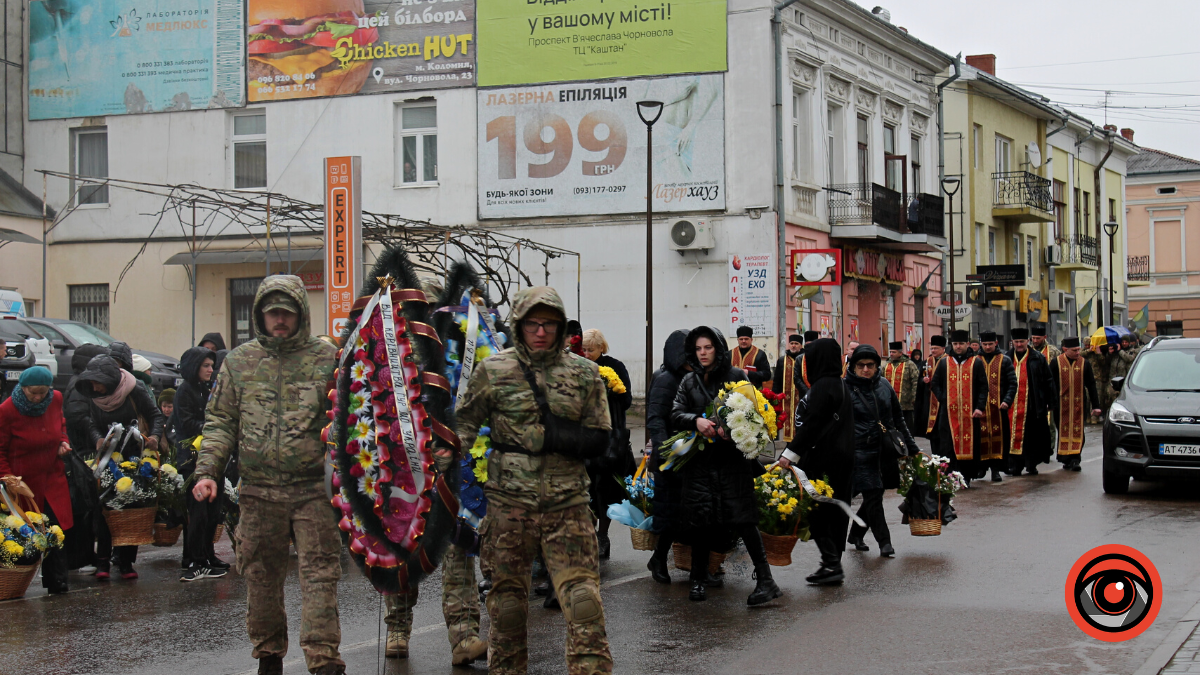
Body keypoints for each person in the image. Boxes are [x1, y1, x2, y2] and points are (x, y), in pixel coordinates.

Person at [190, 276, 343, 675]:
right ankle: (269, 655)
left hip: (313, 490)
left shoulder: (327, 358)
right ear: (260, 314)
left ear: (300, 315)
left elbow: (350, 416)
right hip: (258, 491)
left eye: (287, 313)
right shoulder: (239, 362)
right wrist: (207, 471)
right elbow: (221, 421)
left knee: (321, 575)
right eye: (273, 312)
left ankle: (324, 659)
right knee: (259, 576)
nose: (280, 320)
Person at [457, 286, 613, 675]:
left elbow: (600, 437)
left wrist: (552, 437)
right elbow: (462, 426)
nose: (540, 331)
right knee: (507, 607)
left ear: (561, 327)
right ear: (519, 325)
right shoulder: (493, 370)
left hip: (568, 505)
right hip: (509, 506)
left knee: (583, 602)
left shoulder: (585, 373)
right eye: (532, 324)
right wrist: (433, 465)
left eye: (549, 324)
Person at [671, 326, 780, 604]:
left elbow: (753, 412)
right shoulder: (689, 381)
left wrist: (730, 431)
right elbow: (675, 412)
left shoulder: (736, 376)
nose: (703, 353)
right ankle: (698, 579)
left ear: (718, 349)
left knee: (744, 519)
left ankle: (766, 580)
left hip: (732, 462)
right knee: (700, 521)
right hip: (700, 461)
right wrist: (695, 421)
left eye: (708, 347)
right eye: (698, 348)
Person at [71, 353, 164, 580]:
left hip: (134, 456)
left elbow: (155, 415)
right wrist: (97, 440)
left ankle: (126, 561)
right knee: (105, 509)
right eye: (91, 383)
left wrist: (154, 436)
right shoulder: (94, 397)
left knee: (131, 507)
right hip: (108, 459)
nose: (94, 387)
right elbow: (91, 422)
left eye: (97, 382)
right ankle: (103, 560)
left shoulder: (133, 389)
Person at [781, 338, 854, 585]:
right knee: (833, 510)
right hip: (842, 458)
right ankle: (832, 562)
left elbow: (811, 425)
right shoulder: (840, 384)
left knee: (817, 510)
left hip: (824, 459)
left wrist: (789, 454)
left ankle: (831, 564)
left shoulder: (823, 386)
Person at [0, 367, 72, 594]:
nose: (38, 397)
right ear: (22, 388)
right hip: (22, 483)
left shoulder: (56, 399)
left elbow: (61, 424)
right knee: (25, 532)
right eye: (33, 393)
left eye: (43, 393)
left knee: (55, 527)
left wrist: (62, 440)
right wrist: (9, 478)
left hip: (52, 477)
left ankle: (57, 581)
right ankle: (15, 584)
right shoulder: (7, 410)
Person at [843, 346, 918, 558]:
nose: (866, 369)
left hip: (885, 450)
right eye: (861, 365)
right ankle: (885, 543)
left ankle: (856, 534)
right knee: (874, 495)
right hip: (860, 450)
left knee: (874, 494)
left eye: (870, 365)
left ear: (877, 367)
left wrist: (912, 449)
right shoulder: (845, 388)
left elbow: (898, 419)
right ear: (853, 366)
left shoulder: (884, 385)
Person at [581, 328, 635, 560]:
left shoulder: (615, 366)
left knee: (605, 490)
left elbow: (626, 401)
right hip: (583, 439)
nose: (586, 353)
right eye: (583, 349)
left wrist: (612, 388)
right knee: (585, 490)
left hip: (609, 442)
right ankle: (588, 535)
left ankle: (602, 536)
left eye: (590, 350)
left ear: (601, 348)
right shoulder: (577, 365)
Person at [173, 346, 227, 582]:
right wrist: (213, 427)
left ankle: (207, 554)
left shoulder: (207, 389)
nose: (210, 370)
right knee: (198, 512)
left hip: (211, 455)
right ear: (194, 367)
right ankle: (195, 560)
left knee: (213, 510)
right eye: (205, 366)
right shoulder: (185, 391)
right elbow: (186, 422)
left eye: (211, 365)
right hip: (192, 458)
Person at [645, 329, 690, 584]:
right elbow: (655, 418)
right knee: (669, 514)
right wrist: (667, 451)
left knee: (689, 512)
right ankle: (659, 558)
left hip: (690, 453)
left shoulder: (691, 376)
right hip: (670, 458)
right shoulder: (665, 378)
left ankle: (698, 564)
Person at [62, 343, 108, 573]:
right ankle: (80, 557)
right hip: (82, 452)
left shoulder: (79, 382)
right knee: (83, 506)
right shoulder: (80, 386)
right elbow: (77, 416)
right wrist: (96, 433)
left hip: (81, 449)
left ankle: (82, 556)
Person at [930, 330, 988, 485]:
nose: (958, 347)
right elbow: (934, 384)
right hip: (948, 413)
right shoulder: (944, 363)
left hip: (970, 413)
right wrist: (943, 398)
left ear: (967, 344)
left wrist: (979, 407)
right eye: (955, 344)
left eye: (961, 344)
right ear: (952, 345)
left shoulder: (976, 362)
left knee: (970, 445)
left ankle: (966, 476)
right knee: (948, 445)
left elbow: (983, 387)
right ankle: (950, 476)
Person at [1004, 329, 1055, 476]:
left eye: (1022, 341)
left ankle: (1031, 464)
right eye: (1016, 342)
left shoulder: (1037, 358)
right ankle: (1014, 465)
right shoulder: (1007, 358)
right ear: (1012, 342)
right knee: (1011, 436)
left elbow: (1048, 380)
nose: (1019, 344)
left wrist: (1050, 402)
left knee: (1031, 437)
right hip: (1010, 406)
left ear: (1028, 341)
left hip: (1032, 404)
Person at [1051, 337, 1103, 472]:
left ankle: (1075, 458)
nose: (1077, 353)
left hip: (1079, 404)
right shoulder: (1055, 363)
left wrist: (1096, 406)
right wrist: (1049, 402)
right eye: (1074, 350)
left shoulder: (1084, 364)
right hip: (1060, 405)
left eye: (1078, 350)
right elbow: (1050, 385)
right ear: (1065, 350)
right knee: (1062, 430)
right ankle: (1065, 458)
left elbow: (1091, 385)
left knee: (1077, 430)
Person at [976, 332, 1017, 482]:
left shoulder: (1004, 360)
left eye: (990, 344)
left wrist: (1007, 400)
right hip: (979, 409)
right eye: (985, 344)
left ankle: (996, 469)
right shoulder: (975, 360)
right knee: (980, 438)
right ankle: (981, 468)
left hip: (998, 409)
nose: (987, 347)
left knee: (999, 439)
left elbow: (1013, 383)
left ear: (996, 343)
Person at [770, 334, 805, 443]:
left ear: (801, 345)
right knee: (786, 423)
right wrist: (774, 397)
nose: (793, 346)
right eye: (792, 343)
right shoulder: (782, 360)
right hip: (786, 400)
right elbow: (777, 380)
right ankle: (788, 444)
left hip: (801, 397)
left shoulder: (805, 359)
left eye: (796, 344)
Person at [883, 341, 919, 434]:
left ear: (900, 353)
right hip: (889, 403)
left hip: (905, 404)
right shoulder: (886, 365)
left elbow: (915, 381)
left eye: (894, 352)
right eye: (890, 352)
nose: (891, 354)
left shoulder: (909, 364)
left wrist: (913, 398)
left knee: (907, 428)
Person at [923, 336, 947, 450]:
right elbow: (922, 375)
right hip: (930, 399)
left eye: (935, 348)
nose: (933, 351)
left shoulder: (948, 360)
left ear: (943, 349)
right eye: (931, 348)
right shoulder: (928, 361)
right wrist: (923, 380)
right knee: (932, 432)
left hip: (943, 398)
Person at [791, 331, 820, 400]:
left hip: (819, 393)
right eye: (807, 345)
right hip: (804, 395)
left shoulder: (821, 357)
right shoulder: (800, 359)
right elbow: (797, 378)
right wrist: (807, 391)